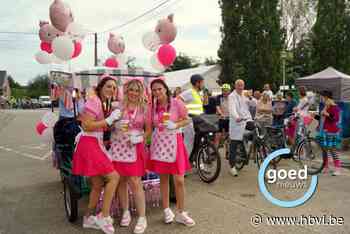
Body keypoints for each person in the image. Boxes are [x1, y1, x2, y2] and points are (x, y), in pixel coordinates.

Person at [72, 76, 121, 234]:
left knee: (98, 184)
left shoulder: (103, 102)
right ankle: (103, 216)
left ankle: (88, 218)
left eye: (114, 87)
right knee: (114, 177)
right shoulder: (95, 101)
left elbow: (99, 126)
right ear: (100, 88)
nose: (112, 90)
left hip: (93, 142)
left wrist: (112, 122)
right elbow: (86, 125)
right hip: (89, 143)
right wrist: (108, 120)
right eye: (108, 86)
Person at [147, 79, 195, 227]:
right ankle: (167, 210)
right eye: (154, 90)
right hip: (159, 144)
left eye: (159, 89)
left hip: (175, 142)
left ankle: (181, 213)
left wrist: (176, 125)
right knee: (163, 179)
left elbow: (187, 120)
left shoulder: (176, 102)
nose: (157, 92)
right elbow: (149, 127)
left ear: (165, 89)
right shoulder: (152, 107)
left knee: (179, 180)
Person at [109, 79, 149, 234]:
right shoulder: (118, 106)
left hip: (135, 147)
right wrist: (115, 125)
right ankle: (125, 211)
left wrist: (140, 138)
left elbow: (149, 130)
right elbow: (111, 125)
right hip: (119, 147)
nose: (133, 93)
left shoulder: (145, 108)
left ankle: (142, 217)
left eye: (137, 90)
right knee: (121, 181)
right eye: (131, 90)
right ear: (126, 91)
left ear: (141, 92)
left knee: (135, 181)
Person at [228, 79, 252, 177]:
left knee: (255, 133)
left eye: (242, 85)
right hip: (237, 123)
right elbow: (232, 108)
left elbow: (254, 103)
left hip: (247, 120)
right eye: (239, 85)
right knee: (234, 144)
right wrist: (236, 117)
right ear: (235, 86)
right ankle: (232, 167)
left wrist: (250, 97)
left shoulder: (245, 94)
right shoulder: (231, 96)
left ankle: (249, 148)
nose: (241, 87)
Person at [316, 90, 342, 175]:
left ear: (326, 97)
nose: (321, 99)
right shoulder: (325, 107)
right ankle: (326, 167)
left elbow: (336, 119)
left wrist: (327, 114)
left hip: (332, 131)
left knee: (332, 150)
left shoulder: (334, 107)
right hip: (324, 131)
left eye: (322, 97)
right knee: (325, 150)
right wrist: (315, 116)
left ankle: (337, 169)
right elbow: (323, 120)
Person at [178, 74, 205, 156]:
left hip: (198, 119)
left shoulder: (198, 93)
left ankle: (194, 158)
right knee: (188, 142)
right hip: (189, 120)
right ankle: (184, 162)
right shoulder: (189, 92)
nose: (203, 84)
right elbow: (177, 100)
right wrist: (184, 113)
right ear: (197, 83)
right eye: (202, 82)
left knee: (198, 140)